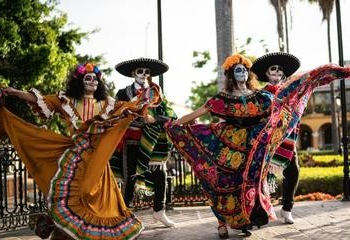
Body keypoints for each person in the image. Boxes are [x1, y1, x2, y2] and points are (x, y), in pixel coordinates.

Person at [165, 53, 350, 238]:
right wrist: (175, 124)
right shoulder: (222, 97)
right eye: (238, 70)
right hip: (227, 145)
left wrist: (311, 80)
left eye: (245, 70)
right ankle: (221, 223)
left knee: (246, 184)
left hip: (251, 147)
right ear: (231, 74)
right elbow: (201, 110)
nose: (242, 73)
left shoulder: (260, 96)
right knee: (221, 183)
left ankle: (246, 220)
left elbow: (278, 110)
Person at [0, 63, 162, 239]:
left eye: (95, 79)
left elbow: (133, 108)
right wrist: (13, 91)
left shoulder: (108, 104)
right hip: (74, 155)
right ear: (80, 81)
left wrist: (146, 108)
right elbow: (39, 100)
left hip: (97, 158)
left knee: (90, 194)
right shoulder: (66, 100)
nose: (92, 81)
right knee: (73, 194)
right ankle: (60, 229)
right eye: (88, 78)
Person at [111, 57, 176, 227]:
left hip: (152, 141)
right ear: (133, 74)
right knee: (130, 177)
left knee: (160, 175)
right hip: (131, 141)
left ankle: (159, 211)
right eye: (140, 71)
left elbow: (170, 115)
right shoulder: (123, 93)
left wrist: (153, 119)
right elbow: (115, 114)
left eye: (147, 72)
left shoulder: (157, 93)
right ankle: (125, 215)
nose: (144, 74)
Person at [252, 52, 301, 224]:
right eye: (273, 68)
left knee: (293, 170)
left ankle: (287, 208)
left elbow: (296, 112)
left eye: (280, 69)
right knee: (261, 176)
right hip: (266, 140)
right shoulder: (260, 94)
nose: (277, 71)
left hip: (286, 140)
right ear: (266, 73)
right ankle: (263, 210)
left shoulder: (291, 92)